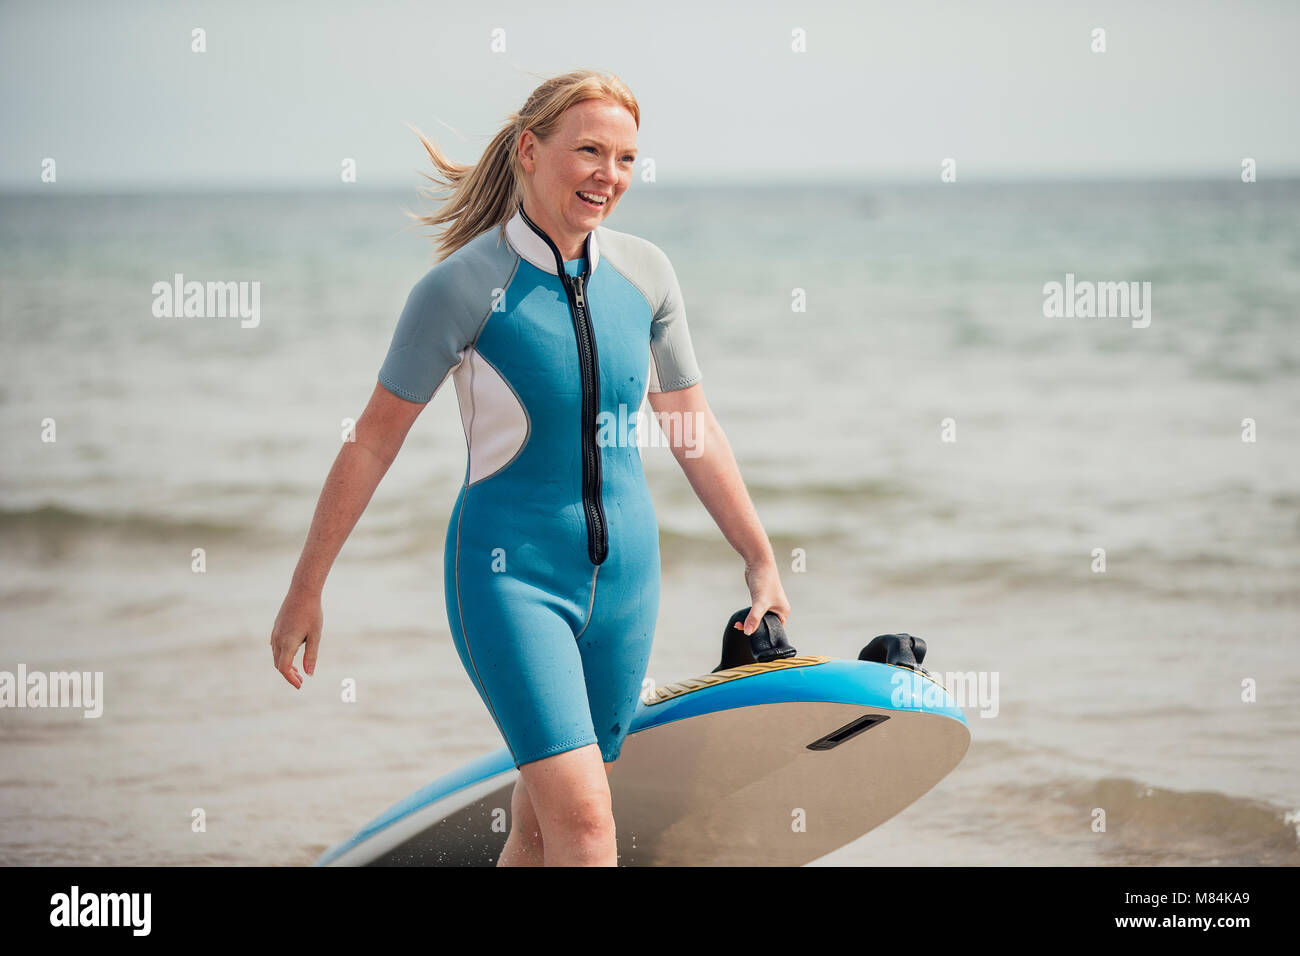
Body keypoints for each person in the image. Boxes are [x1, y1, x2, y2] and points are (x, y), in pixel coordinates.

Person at [270, 69, 790, 866]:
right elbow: (371, 441)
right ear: (529, 150)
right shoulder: (461, 288)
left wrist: (759, 558)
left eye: (624, 158)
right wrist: (308, 585)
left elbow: (692, 426)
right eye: (588, 150)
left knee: (544, 828)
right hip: (510, 579)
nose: (607, 175)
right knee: (587, 825)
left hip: (626, 587)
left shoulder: (646, 276)